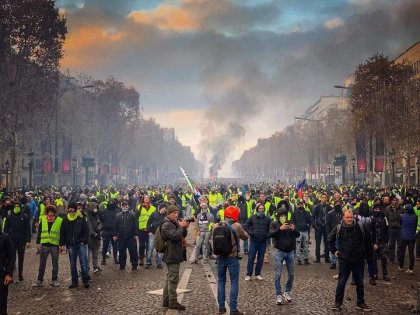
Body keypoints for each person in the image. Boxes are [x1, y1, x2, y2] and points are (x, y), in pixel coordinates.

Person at [328, 209, 372, 312]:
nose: (349, 219)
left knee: (360, 282)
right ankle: (338, 302)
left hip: (358, 259)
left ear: (353, 217)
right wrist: (335, 251)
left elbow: (368, 239)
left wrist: (365, 254)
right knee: (342, 282)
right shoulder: (339, 227)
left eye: (351, 217)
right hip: (344, 259)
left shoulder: (360, 226)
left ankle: (361, 303)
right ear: (343, 217)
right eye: (347, 217)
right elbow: (330, 239)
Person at [215, 205, 249, 315]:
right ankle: (233, 309)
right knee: (234, 282)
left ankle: (221, 307)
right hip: (232, 257)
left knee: (221, 281)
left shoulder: (217, 225)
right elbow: (246, 237)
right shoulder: (237, 226)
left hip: (220, 257)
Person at [161, 205, 189, 311]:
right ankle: (172, 302)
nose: (176, 215)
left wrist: (184, 227)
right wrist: (181, 226)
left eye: (177, 213)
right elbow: (175, 236)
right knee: (173, 279)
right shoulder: (166, 225)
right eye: (174, 213)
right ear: (169, 213)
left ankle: (166, 301)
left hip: (175, 253)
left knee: (170, 278)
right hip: (171, 254)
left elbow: (182, 235)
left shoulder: (173, 222)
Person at [270, 207, 300, 305]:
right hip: (279, 251)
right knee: (277, 274)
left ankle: (287, 291)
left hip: (290, 252)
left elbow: (297, 234)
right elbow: (271, 234)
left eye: (285, 216)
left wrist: (293, 229)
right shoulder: (274, 224)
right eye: (281, 216)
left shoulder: (290, 223)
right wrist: (280, 229)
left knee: (291, 274)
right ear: (278, 216)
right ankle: (278, 294)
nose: (283, 217)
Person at [60, 202, 90, 289]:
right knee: (72, 264)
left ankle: (85, 280)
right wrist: (62, 244)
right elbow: (62, 232)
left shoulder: (81, 218)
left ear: (75, 209)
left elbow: (86, 230)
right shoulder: (65, 219)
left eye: (72, 208)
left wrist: (84, 241)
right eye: (69, 208)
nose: (70, 210)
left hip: (80, 244)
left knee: (83, 263)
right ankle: (74, 281)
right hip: (70, 245)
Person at [33, 205, 62, 287]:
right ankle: (39, 280)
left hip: (55, 245)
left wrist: (62, 244)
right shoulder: (43, 219)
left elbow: (62, 233)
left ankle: (54, 280)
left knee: (55, 264)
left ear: (54, 212)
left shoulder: (59, 220)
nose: (50, 213)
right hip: (44, 245)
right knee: (42, 263)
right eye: (49, 212)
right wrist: (37, 243)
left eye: (52, 212)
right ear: (47, 212)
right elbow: (40, 232)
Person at [3, 201, 31, 282]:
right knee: (12, 258)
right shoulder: (9, 216)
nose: (16, 208)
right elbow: (6, 229)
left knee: (21, 258)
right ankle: (10, 275)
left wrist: (28, 240)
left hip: (21, 241)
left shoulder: (25, 217)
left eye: (18, 206)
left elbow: (28, 229)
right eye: (15, 206)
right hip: (11, 241)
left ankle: (20, 275)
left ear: (20, 207)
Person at [244, 202, 270, 280]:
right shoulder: (252, 218)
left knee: (260, 259)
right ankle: (249, 274)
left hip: (263, 241)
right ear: (257, 209)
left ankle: (258, 274)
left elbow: (270, 228)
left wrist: (267, 235)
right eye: (260, 209)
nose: (261, 210)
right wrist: (251, 233)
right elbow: (245, 226)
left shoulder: (267, 219)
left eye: (262, 209)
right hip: (254, 241)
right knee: (251, 258)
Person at [113, 201, 139, 271]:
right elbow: (115, 226)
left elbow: (136, 225)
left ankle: (134, 264)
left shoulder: (133, 214)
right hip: (121, 237)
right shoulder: (118, 215)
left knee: (133, 251)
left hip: (131, 237)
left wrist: (136, 234)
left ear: (128, 206)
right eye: (123, 206)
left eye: (126, 205)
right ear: (121, 207)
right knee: (121, 252)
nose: (125, 207)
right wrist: (115, 234)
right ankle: (122, 264)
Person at [371, 201, 390, 281]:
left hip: (382, 241)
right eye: (375, 209)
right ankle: (375, 274)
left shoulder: (384, 218)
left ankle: (385, 274)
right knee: (374, 259)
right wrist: (373, 242)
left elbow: (387, 229)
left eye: (378, 209)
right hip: (374, 242)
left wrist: (386, 240)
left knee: (384, 258)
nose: (377, 210)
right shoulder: (371, 218)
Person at [146, 203, 167, 269]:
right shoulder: (153, 214)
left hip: (161, 235)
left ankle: (159, 263)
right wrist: (149, 231)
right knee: (150, 249)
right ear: (162, 208)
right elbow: (148, 223)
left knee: (160, 249)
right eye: (165, 208)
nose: (165, 210)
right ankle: (148, 262)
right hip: (152, 234)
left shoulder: (165, 216)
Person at [312, 193, 331, 263]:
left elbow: (331, 216)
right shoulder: (317, 206)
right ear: (320, 198)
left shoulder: (329, 207)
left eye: (325, 198)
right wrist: (314, 225)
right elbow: (313, 216)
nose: (324, 199)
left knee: (327, 243)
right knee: (318, 243)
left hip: (326, 227)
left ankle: (327, 257)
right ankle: (317, 258)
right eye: (323, 197)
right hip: (319, 227)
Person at [137, 195, 156, 266]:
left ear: (150, 199)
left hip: (149, 230)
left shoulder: (153, 208)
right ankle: (141, 258)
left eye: (148, 198)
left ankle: (148, 259)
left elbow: (155, 219)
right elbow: (136, 218)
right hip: (141, 229)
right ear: (143, 199)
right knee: (141, 245)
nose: (147, 199)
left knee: (149, 245)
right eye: (145, 198)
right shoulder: (139, 207)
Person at [291, 200, 311, 265]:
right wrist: (295, 228)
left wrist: (307, 225)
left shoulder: (307, 213)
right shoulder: (294, 213)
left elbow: (310, 220)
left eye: (301, 204)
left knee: (305, 246)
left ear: (303, 205)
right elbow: (292, 221)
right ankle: (299, 259)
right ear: (297, 205)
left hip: (305, 231)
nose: (300, 206)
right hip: (298, 232)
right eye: (299, 204)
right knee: (298, 246)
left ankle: (306, 259)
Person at [0, 225, 15, 315]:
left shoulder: (5, 237)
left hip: (2, 274)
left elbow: (11, 256)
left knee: (2, 302)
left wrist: (9, 274)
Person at [100, 198, 119, 265]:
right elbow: (101, 219)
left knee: (115, 246)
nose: (111, 204)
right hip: (106, 230)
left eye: (112, 203)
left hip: (114, 231)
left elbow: (118, 221)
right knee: (105, 245)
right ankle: (103, 259)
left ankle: (115, 258)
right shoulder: (104, 211)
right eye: (109, 203)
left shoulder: (117, 211)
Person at [398, 204, 417, 274]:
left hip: (403, 236)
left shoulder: (401, 216)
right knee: (411, 253)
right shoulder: (415, 217)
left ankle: (401, 266)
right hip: (412, 237)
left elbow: (400, 224)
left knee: (402, 252)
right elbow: (415, 226)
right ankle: (411, 269)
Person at [385, 195, 403, 264]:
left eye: (396, 200)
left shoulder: (401, 208)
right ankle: (391, 259)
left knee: (400, 245)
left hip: (399, 228)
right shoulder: (387, 209)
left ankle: (399, 259)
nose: (395, 201)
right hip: (391, 228)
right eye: (393, 200)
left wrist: (400, 225)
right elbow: (386, 217)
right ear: (391, 201)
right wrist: (389, 224)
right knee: (391, 245)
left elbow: (402, 219)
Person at [326, 200, 343, 269]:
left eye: (339, 204)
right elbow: (327, 224)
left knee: (341, 247)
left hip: (341, 233)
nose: (338, 205)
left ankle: (341, 261)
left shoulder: (342, 213)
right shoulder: (330, 213)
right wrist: (329, 233)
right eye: (337, 204)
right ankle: (333, 262)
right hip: (333, 233)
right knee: (333, 248)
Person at [87, 199, 102, 273]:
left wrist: (99, 229)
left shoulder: (96, 215)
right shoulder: (87, 216)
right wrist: (94, 233)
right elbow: (88, 227)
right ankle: (87, 267)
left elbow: (100, 222)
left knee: (96, 254)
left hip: (96, 237)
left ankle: (96, 266)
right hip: (90, 238)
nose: (96, 209)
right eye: (95, 207)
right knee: (87, 256)